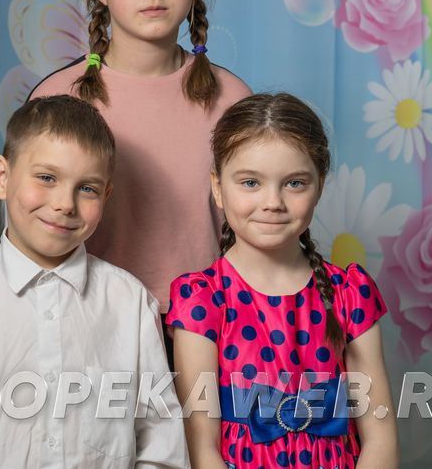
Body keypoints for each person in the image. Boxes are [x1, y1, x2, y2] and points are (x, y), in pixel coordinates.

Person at [0, 95, 190, 468]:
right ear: (2, 178)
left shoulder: (131, 303)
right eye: (46, 178)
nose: (65, 204)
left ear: (106, 196)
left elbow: (162, 445)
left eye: (87, 188)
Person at [30, 0, 251, 311]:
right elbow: (31, 239)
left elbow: (255, 237)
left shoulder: (233, 100)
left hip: (205, 328)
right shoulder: (55, 99)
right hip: (89, 324)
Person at [166, 93, 398, 468]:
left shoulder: (349, 293)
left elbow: (381, 436)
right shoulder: (203, 299)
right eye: (250, 182)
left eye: (294, 183)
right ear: (218, 188)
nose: (272, 202)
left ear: (319, 186)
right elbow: (200, 445)